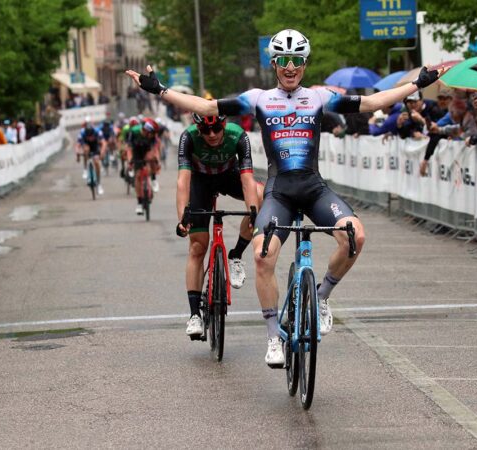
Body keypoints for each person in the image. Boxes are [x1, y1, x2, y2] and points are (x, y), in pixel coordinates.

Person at [126, 28, 445, 367]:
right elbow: (205, 106)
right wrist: (160, 90)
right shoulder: (259, 98)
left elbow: (372, 102)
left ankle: (321, 297)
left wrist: (416, 84)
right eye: (283, 61)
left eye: (296, 60)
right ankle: (273, 337)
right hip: (280, 192)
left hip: (313, 188)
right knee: (262, 256)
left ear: (304, 64)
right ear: (274, 64)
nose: (290, 67)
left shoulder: (320, 97)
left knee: (356, 236)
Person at [175, 114, 262, 336]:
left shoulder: (237, 136)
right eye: (206, 131)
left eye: (216, 129)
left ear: (224, 125)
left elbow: (247, 179)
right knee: (197, 247)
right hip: (200, 182)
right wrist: (183, 217)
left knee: (261, 197)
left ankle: (236, 254)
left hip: (228, 175)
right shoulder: (188, 137)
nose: (212, 135)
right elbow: (183, 180)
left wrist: (253, 211)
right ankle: (194, 315)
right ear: (198, 129)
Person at [126, 117, 161, 214]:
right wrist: (130, 161)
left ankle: (153, 179)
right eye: (152, 134)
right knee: (138, 176)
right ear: (147, 131)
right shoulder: (133, 132)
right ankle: (139, 203)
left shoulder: (152, 136)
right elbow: (129, 148)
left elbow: (155, 149)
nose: (153, 136)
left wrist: (156, 160)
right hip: (136, 151)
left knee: (152, 159)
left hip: (147, 149)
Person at [77, 118, 107, 195]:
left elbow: (104, 143)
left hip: (95, 146)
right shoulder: (82, 133)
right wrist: (78, 154)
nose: (90, 138)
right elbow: (78, 145)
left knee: (96, 162)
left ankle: (99, 184)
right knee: (86, 149)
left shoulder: (98, 132)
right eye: (88, 136)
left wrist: (102, 153)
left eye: (91, 136)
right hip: (86, 145)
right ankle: (85, 169)